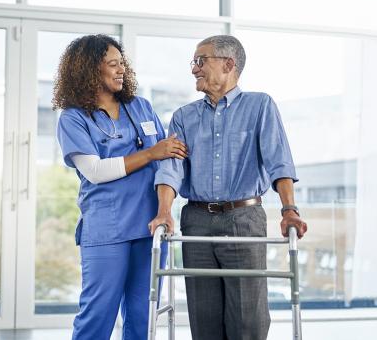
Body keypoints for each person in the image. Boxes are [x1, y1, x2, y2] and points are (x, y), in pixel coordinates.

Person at [150, 35, 308, 340]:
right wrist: (164, 212)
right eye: (193, 62)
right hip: (195, 220)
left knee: (247, 317)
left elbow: (279, 161)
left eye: (200, 60)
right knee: (203, 315)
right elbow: (171, 169)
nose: (194, 69)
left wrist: (289, 210)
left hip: (243, 220)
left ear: (228, 64)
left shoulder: (260, 105)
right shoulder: (184, 116)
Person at [53, 34, 187, 340]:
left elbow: (167, 158)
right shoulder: (73, 118)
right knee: (98, 314)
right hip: (107, 228)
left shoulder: (140, 107)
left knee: (142, 315)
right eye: (112, 64)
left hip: (149, 224)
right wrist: (152, 152)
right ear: (88, 70)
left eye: (122, 63)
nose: (121, 70)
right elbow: (96, 171)